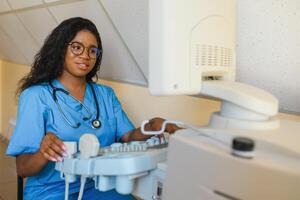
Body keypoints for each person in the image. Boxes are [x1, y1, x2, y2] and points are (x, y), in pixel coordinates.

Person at [6, 17, 180, 200]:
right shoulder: (36, 96)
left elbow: (128, 137)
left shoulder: (105, 94)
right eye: (76, 47)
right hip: (51, 191)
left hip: (99, 184)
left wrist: (152, 127)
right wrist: (43, 152)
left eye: (92, 50)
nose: (85, 55)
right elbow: (23, 168)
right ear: (60, 49)